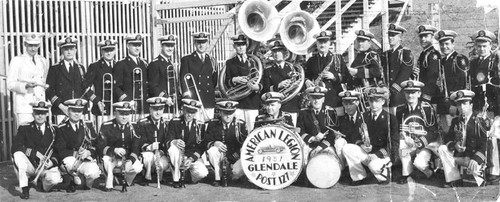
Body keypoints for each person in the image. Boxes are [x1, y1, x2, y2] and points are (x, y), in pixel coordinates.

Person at [342, 87, 398, 185]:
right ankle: (359, 177)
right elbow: (356, 137)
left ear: (383, 102)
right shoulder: (363, 116)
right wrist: (362, 145)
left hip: (382, 155)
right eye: (371, 101)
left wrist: (376, 155)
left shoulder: (391, 119)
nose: (374, 104)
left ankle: (385, 175)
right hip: (368, 152)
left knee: (374, 166)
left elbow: (393, 144)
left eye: (377, 101)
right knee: (347, 148)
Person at [11, 101, 62, 199]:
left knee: (54, 179)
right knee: (18, 154)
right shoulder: (25, 127)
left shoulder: (54, 129)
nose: (40, 116)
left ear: (47, 114)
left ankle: (43, 185)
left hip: (45, 167)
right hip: (31, 165)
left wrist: (52, 162)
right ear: (33, 114)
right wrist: (35, 153)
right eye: (37, 113)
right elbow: (15, 147)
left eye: (43, 113)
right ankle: (25, 189)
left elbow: (59, 149)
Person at [438, 90, 488, 187]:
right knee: (442, 148)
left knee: (479, 183)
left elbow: (485, 142)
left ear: (471, 105)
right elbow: (448, 139)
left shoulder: (479, 121)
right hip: (460, 155)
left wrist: (476, 158)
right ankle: (454, 179)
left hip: (473, 157)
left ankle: (482, 177)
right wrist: (454, 145)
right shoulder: (455, 121)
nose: (462, 107)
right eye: (459, 105)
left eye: (465, 104)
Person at [395, 80, 439, 184]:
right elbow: (398, 130)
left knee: (419, 164)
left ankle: (429, 172)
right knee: (401, 145)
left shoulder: (427, 108)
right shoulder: (400, 110)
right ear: (404, 94)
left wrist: (417, 143)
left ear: (419, 94)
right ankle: (406, 174)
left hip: (425, 144)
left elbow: (433, 132)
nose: (410, 95)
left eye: (413, 92)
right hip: (409, 142)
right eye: (407, 92)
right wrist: (403, 136)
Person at [54, 99, 100, 192]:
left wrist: (88, 152)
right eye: (74, 111)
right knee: (70, 163)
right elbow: (60, 150)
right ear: (68, 111)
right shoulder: (61, 128)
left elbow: (96, 145)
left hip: (85, 158)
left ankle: (87, 183)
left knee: (94, 173)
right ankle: (73, 180)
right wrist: (75, 153)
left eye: (79, 111)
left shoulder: (88, 125)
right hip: (70, 159)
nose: (77, 114)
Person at [97, 101, 143, 192]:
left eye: (127, 114)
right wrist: (114, 150)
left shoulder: (133, 127)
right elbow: (100, 146)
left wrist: (131, 160)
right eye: (121, 114)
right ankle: (109, 183)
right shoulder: (106, 126)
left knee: (138, 166)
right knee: (106, 160)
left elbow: (136, 146)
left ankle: (127, 181)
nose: (124, 117)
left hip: (126, 158)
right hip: (112, 157)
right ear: (115, 113)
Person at [7, 34, 49, 126]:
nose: (33, 48)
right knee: (25, 134)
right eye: (30, 45)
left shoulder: (43, 61)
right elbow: (10, 84)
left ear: (39, 45)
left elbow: (44, 81)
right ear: (25, 44)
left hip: (40, 104)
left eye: (35, 45)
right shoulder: (17, 60)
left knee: (40, 134)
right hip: (24, 105)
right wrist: (25, 85)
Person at [166, 98, 209, 188]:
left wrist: (191, 159)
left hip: (190, 157)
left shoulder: (200, 125)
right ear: (183, 109)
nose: (189, 114)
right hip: (177, 157)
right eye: (187, 111)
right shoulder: (174, 122)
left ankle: (187, 176)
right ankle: (176, 178)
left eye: (192, 112)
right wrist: (174, 141)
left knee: (203, 173)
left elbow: (201, 147)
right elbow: (167, 140)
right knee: (173, 149)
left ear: (196, 112)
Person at [205, 100, 248, 187]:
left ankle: (236, 175)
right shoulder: (213, 123)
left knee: (235, 173)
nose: (228, 116)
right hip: (220, 156)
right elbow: (206, 142)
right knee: (212, 151)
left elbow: (245, 145)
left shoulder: (240, 124)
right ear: (220, 112)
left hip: (235, 156)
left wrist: (230, 159)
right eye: (225, 113)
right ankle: (218, 177)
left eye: (231, 113)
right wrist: (214, 143)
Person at [46, 37, 88, 124]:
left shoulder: (80, 68)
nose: (69, 52)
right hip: (61, 111)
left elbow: (85, 88)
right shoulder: (55, 68)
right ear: (62, 51)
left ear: (75, 50)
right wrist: (62, 107)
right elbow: (49, 90)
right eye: (66, 49)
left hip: (78, 110)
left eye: (71, 49)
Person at [224, 34, 261, 131]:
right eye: (238, 45)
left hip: (252, 101)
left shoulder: (255, 61)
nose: (241, 47)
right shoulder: (230, 63)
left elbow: (262, 80)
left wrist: (257, 87)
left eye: (243, 44)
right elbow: (225, 83)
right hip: (238, 103)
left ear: (246, 45)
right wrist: (233, 80)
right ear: (234, 46)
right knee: (238, 132)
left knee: (252, 130)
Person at [435, 30, 470, 133]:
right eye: (441, 44)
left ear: (453, 44)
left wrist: (455, 104)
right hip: (443, 105)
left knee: (456, 132)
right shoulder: (441, 61)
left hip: (453, 105)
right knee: (445, 134)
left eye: (447, 44)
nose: (444, 47)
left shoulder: (459, 59)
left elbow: (462, 83)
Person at [304, 30, 346, 112]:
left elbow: (347, 77)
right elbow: (306, 76)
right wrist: (306, 81)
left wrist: (334, 77)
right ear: (316, 44)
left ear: (329, 43)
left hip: (334, 99)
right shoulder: (311, 61)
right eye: (320, 42)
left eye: (325, 42)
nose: (322, 45)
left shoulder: (338, 59)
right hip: (318, 99)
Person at [262, 40, 302, 124]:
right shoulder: (268, 70)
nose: (277, 54)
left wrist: (294, 85)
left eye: (279, 51)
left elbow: (300, 85)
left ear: (284, 53)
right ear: (272, 54)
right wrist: (278, 85)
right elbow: (265, 90)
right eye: (274, 51)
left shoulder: (294, 68)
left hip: (291, 105)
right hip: (275, 109)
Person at [180, 32, 217, 120]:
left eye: (203, 42)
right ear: (195, 43)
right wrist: (188, 99)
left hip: (208, 100)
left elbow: (214, 81)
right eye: (199, 42)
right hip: (194, 100)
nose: (201, 45)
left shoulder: (212, 60)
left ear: (207, 44)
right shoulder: (187, 60)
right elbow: (183, 81)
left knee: (208, 129)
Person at [136, 97, 170, 185]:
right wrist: (149, 147)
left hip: (161, 153)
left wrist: (162, 151)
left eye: (160, 109)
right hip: (148, 152)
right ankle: (146, 176)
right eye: (155, 109)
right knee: (148, 157)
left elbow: (168, 140)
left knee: (164, 164)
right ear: (150, 109)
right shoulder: (142, 123)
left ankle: (160, 177)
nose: (158, 112)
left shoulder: (167, 123)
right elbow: (140, 141)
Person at [113, 34, 149, 118]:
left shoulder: (144, 63)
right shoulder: (121, 64)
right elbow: (116, 87)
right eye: (134, 45)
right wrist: (127, 101)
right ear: (127, 45)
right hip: (129, 106)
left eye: (139, 45)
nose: (137, 48)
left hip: (143, 107)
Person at [381, 24, 413, 113]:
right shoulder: (385, 54)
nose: (390, 38)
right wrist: (383, 87)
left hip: (397, 93)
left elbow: (405, 74)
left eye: (393, 35)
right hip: (385, 93)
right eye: (389, 35)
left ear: (400, 38)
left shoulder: (405, 53)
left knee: (396, 122)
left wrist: (392, 90)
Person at [84, 39, 118, 125]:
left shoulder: (119, 65)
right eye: (106, 50)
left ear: (115, 51)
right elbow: (85, 87)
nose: (109, 53)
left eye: (111, 50)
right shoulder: (95, 66)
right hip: (101, 107)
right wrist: (97, 101)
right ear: (101, 51)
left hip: (117, 107)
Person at [147, 34, 178, 120]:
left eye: (172, 46)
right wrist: (165, 98)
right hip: (161, 107)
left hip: (173, 106)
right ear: (161, 45)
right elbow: (153, 86)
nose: (170, 48)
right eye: (167, 45)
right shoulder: (155, 63)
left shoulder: (171, 63)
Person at [469, 30, 500, 116]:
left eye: (484, 46)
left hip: (492, 105)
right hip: (477, 105)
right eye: (479, 46)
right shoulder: (473, 63)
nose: (481, 49)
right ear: (475, 47)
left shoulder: (496, 62)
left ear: (490, 46)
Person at [415, 25, 440, 104]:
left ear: (432, 37)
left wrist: (426, 96)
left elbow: (432, 77)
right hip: (422, 93)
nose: (423, 39)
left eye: (426, 36)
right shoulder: (424, 53)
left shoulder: (433, 54)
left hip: (429, 96)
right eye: (421, 37)